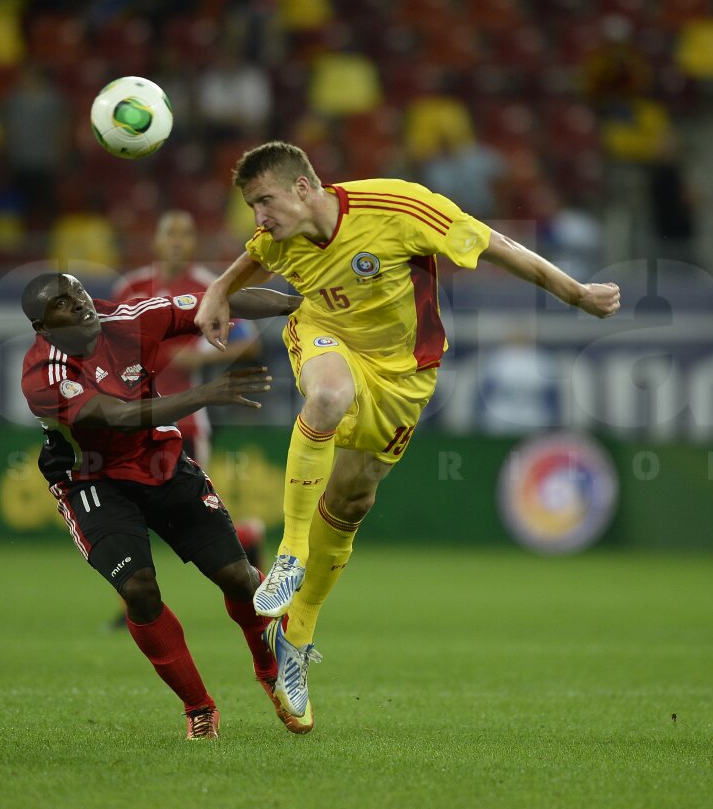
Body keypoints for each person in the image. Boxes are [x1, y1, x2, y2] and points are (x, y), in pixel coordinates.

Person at [195, 141, 621, 722]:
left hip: (405, 376)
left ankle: (295, 637)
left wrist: (574, 292)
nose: (258, 217)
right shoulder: (280, 235)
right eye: (251, 206)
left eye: (263, 201)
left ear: (302, 187)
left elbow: (497, 246)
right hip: (325, 337)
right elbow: (253, 256)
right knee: (325, 396)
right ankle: (290, 552)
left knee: (352, 498)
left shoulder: (397, 207)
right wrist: (218, 291)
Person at [19, 272, 312, 739]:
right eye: (61, 302)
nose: (78, 302)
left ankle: (270, 668)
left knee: (239, 577)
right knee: (139, 589)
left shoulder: (133, 319)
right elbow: (114, 416)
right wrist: (201, 396)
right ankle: (199, 706)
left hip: (161, 461)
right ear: (43, 327)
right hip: (91, 482)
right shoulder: (44, 373)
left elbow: (224, 300)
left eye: (77, 290)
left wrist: (303, 302)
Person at [113, 210, 266, 573]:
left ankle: (247, 539)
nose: (178, 241)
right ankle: (132, 602)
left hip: (187, 423)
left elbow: (249, 341)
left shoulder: (207, 287)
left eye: (185, 234)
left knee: (197, 515)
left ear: (194, 243)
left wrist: (198, 357)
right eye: (171, 233)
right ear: (156, 241)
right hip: (134, 420)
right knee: (125, 508)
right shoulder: (131, 288)